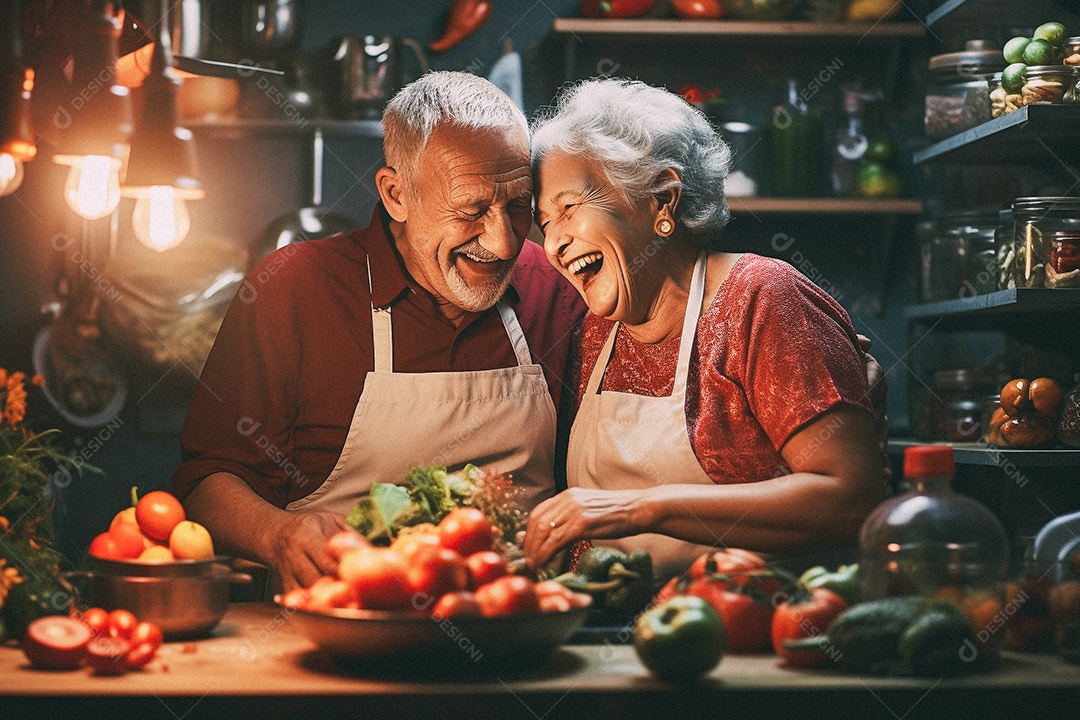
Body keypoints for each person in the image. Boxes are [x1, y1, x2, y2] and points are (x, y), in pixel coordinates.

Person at [172, 72, 584, 592]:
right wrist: (277, 535)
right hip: (339, 616)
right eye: (471, 209)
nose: (503, 244)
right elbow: (208, 479)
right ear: (396, 195)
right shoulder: (296, 289)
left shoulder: (557, 286)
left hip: (512, 618)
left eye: (519, 205)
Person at [524, 78, 887, 580]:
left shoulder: (760, 297)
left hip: (744, 632)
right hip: (610, 631)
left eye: (568, 208)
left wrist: (644, 507)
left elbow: (851, 499)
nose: (555, 243)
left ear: (662, 201)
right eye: (544, 223)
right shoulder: (593, 331)